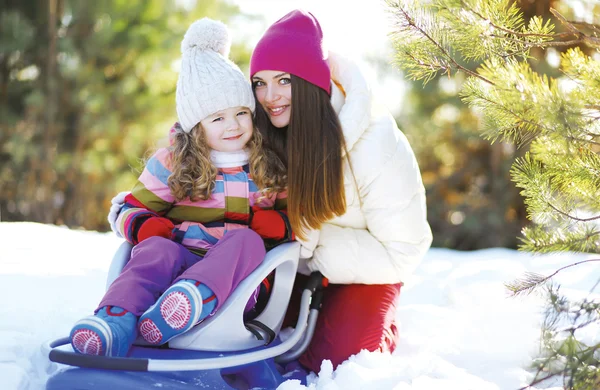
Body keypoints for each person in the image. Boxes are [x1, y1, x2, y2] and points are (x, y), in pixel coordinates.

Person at [70, 18, 291, 357]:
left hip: (238, 287)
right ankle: (114, 319)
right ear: (195, 126)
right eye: (217, 118)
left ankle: (193, 298)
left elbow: (299, 219)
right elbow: (129, 209)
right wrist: (147, 227)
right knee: (156, 250)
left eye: (241, 113)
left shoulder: (268, 163)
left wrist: (280, 226)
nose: (232, 126)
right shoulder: (174, 163)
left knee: (246, 239)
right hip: (175, 272)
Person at [248, 9, 432, 372]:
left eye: (284, 80)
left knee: (347, 360)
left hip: (368, 274)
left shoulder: (375, 142)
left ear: (311, 82)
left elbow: (403, 253)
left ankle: (381, 326)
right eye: (259, 82)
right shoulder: (266, 134)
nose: (269, 96)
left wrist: (310, 252)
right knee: (255, 338)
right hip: (297, 270)